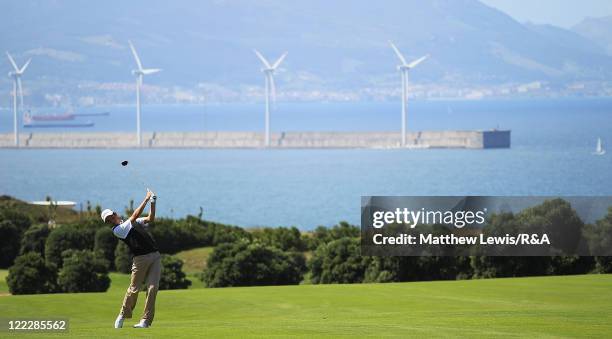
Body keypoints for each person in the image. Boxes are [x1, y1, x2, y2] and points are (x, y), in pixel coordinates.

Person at [101, 189, 160, 329]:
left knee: (153, 288)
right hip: (140, 259)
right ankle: (123, 314)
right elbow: (134, 216)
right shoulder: (118, 230)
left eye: (111, 216)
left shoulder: (130, 222)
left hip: (155, 256)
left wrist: (153, 202)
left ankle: (145, 321)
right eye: (108, 220)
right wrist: (146, 198)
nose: (111, 219)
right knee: (134, 289)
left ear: (114, 213)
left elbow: (150, 219)